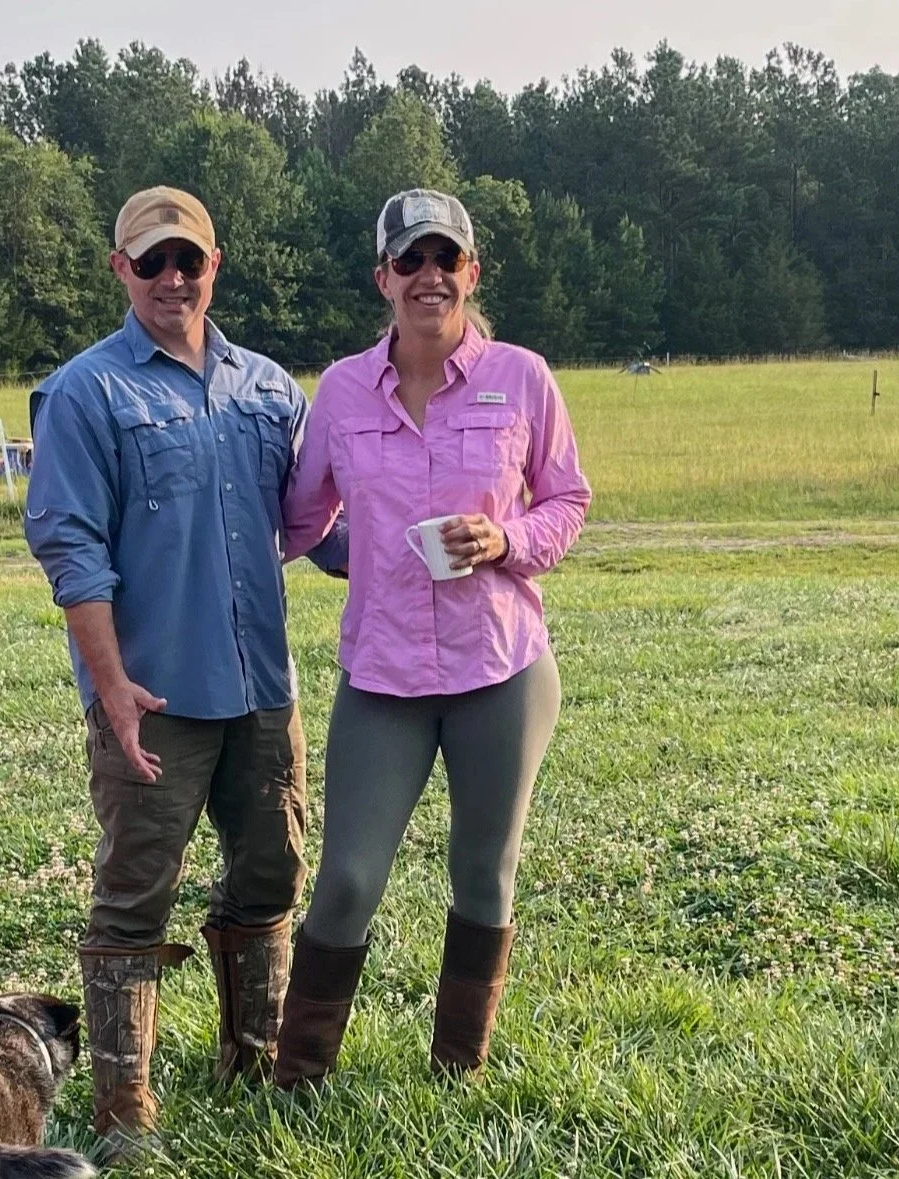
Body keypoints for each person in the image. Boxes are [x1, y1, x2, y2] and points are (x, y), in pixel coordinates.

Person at [24, 186, 345, 1157]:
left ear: (214, 266)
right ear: (120, 269)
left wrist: (427, 534)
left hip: (262, 693)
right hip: (153, 697)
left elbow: (320, 526)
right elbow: (71, 545)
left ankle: (255, 1068)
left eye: (187, 260)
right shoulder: (88, 392)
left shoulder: (268, 389)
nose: (172, 278)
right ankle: (126, 1110)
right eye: (151, 261)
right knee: (136, 891)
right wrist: (111, 686)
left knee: (272, 873)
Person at [272, 189, 592, 1088]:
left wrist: (508, 541)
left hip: (502, 666)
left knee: (483, 873)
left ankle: (457, 1071)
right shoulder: (339, 390)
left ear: (470, 273)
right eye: (408, 260)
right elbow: (302, 518)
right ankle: (297, 1080)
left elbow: (567, 499)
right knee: (345, 880)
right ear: (382, 277)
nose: (427, 276)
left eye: (444, 259)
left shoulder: (521, 377)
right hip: (383, 674)